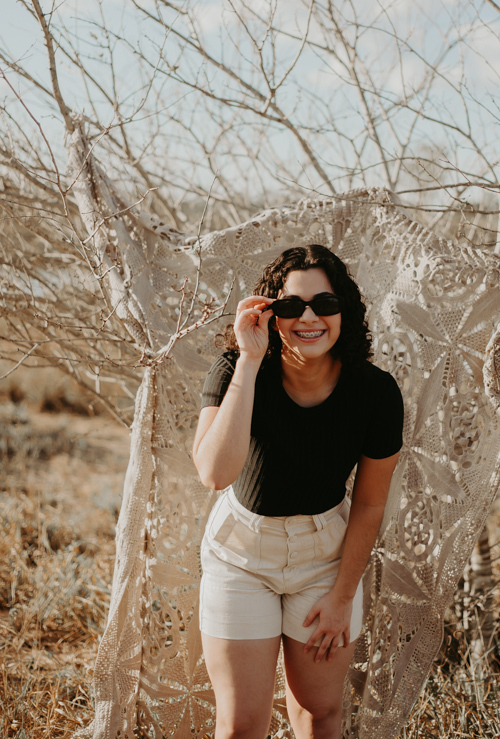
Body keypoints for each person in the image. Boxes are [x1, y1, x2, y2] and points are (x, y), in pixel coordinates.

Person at [193, 244, 404, 739]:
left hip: (324, 561)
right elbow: (214, 473)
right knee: (242, 724)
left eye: (324, 305)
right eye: (291, 306)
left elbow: (371, 503)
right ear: (272, 314)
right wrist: (248, 360)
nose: (309, 318)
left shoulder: (375, 393)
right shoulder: (234, 371)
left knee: (317, 711)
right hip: (241, 556)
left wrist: (341, 596)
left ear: (343, 312)